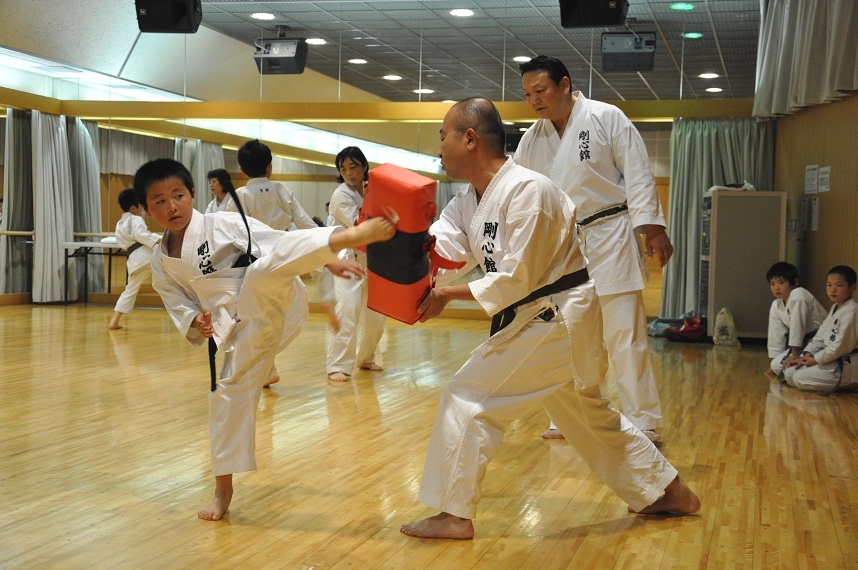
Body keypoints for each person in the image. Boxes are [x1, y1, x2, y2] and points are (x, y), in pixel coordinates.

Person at [399, 98, 700, 540]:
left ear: (470, 138)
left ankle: (453, 513)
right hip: (545, 319)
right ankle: (666, 491)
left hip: (554, 317)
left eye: (443, 135)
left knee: (466, 395)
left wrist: (448, 294)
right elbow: (447, 247)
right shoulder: (469, 199)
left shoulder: (529, 191)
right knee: (587, 417)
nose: (439, 147)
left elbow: (517, 277)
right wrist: (402, 240)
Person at [134, 158, 395, 521]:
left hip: (276, 299)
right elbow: (176, 301)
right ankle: (222, 491)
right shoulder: (161, 262)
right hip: (239, 327)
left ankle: (343, 237)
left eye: (178, 195)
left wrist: (329, 260)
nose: (171, 206)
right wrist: (198, 319)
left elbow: (278, 241)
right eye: (159, 201)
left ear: (192, 194)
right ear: (146, 209)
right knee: (224, 396)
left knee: (260, 271)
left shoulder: (223, 223)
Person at [514, 55, 669, 444]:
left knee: (624, 333)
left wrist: (652, 229)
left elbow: (637, 171)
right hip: (564, 246)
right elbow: (516, 188)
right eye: (528, 94)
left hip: (611, 233)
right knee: (571, 333)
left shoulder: (605, 117)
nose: (535, 100)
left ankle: (643, 420)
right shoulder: (533, 138)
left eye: (541, 90)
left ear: (565, 85)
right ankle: (574, 414)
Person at [325, 146, 386, 384]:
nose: (349, 173)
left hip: (372, 259)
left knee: (376, 314)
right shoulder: (341, 195)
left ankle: (366, 357)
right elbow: (359, 226)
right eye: (344, 169)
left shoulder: (371, 189)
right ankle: (337, 365)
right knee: (347, 310)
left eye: (353, 167)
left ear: (364, 167)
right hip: (345, 259)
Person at [782, 265, 858, 392]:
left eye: (839, 285)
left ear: (853, 288)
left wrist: (816, 360)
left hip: (845, 365)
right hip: (829, 359)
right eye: (829, 285)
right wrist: (807, 355)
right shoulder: (835, 307)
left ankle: (852, 383)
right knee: (789, 373)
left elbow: (840, 347)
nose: (833, 290)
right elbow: (820, 336)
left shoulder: (853, 310)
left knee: (798, 378)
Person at [226, 139, 318, 231]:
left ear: (242, 170)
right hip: (284, 243)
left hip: (254, 244)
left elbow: (230, 230)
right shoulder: (281, 189)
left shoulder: (239, 195)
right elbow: (304, 222)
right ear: (269, 167)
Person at [108, 188, 161, 330]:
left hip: (134, 260)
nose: (142, 208)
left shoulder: (120, 224)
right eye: (141, 205)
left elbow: (125, 241)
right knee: (170, 282)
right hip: (146, 257)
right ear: (134, 207)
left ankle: (114, 321)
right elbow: (142, 235)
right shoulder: (136, 219)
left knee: (130, 290)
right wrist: (160, 239)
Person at [764, 261, 828, 379]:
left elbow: (797, 327)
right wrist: (774, 363)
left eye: (781, 283)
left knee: (789, 371)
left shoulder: (799, 295)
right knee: (777, 365)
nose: (776, 288)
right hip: (805, 342)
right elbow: (775, 334)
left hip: (821, 340)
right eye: (772, 284)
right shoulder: (776, 304)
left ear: (795, 282)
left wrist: (794, 355)